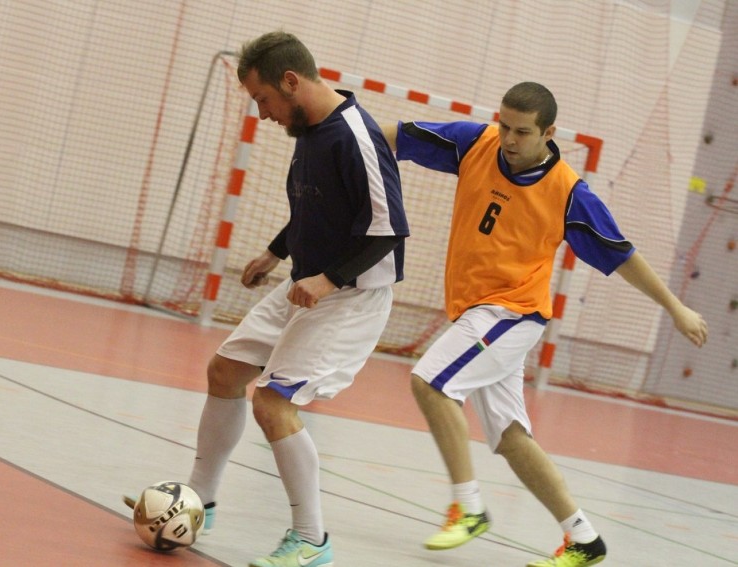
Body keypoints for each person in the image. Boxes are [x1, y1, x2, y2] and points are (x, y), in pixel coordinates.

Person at [382, 82, 708, 567]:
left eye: (523, 132)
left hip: (511, 313)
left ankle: (468, 507)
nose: (509, 139)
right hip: (477, 311)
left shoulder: (569, 193)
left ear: (549, 132)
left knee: (431, 382)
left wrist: (674, 307)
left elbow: (621, 255)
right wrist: (338, 134)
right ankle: (584, 539)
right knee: (512, 439)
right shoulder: (476, 142)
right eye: (505, 126)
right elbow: (395, 134)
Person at [188, 31, 408, 567]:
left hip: (350, 296)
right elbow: (316, 208)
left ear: (291, 81)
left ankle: (311, 540)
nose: (263, 114)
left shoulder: (354, 135)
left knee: (272, 401)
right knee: (225, 371)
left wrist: (329, 281)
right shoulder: (308, 131)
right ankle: (200, 501)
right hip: (305, 285)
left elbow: (389, 231)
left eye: (264, 99)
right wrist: (274, 252)